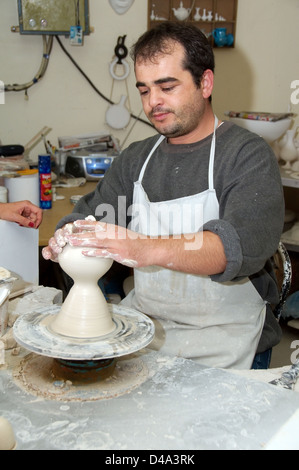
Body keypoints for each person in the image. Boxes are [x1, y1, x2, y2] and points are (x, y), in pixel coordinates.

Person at [42, 22, 285, 370]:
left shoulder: (246, 155)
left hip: (229, 345)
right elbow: (93, 216)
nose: (153, 102)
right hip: (148, 336)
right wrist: (71, 233)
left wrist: (141, 248)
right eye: (144, 90)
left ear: (205, 83)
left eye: (166, 87)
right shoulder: (137, 160)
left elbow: (237, 248)